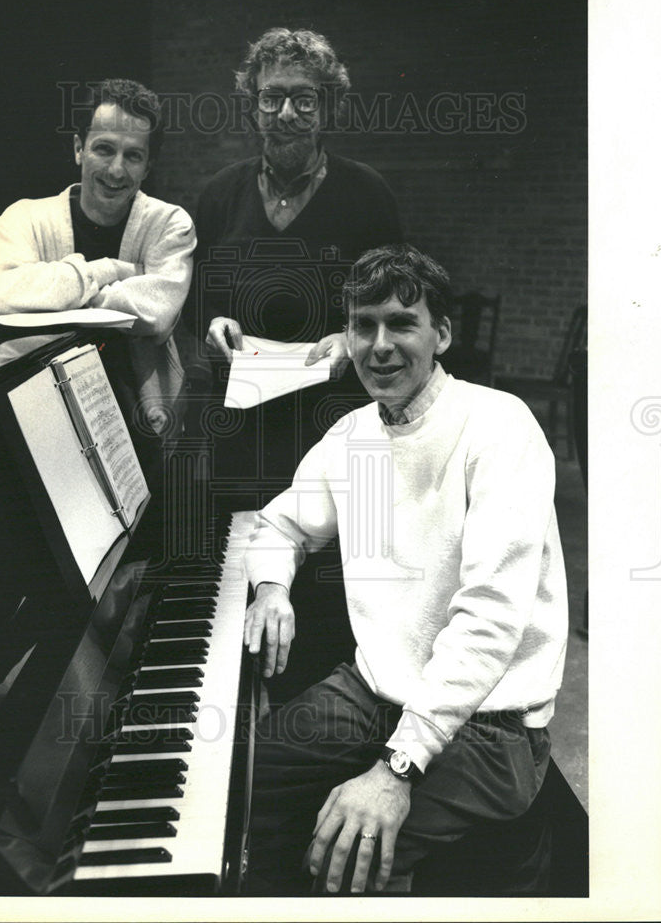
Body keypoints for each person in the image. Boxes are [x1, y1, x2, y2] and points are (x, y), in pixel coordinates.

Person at [242, 244, 569, 895]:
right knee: (232, 786)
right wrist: (273, 586)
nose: (379, 345)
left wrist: (394, 771)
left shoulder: (498, 428)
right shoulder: (356, 437)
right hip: (374, 692)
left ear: (440, 333)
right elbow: (278, 524)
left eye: (400, 322)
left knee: (345, 864)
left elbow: (487, 619)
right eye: (363, 325)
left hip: (488, 724)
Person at [185, 28, 403, 505]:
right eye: (271, 98)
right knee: (241, 562)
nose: (286, 114)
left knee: (333, 569)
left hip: (338, 426)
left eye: (304, 99)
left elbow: (402, 307)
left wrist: (353, 336)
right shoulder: (219, 194)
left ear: (327, 109)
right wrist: (212, 322)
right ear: (253, 106)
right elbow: (195, 305)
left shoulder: (369, 195)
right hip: (242, 434)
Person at [0, 78, 196, 466]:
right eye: (104, 149)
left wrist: (53, 301)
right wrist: (108, 270)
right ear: (79, 148)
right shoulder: (21, 219)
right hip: (34, 417)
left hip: (137, 420)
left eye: (133, 156)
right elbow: (7, 295)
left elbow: (157, 314)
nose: (117, 169)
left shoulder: (169, 224)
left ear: (148, 165)